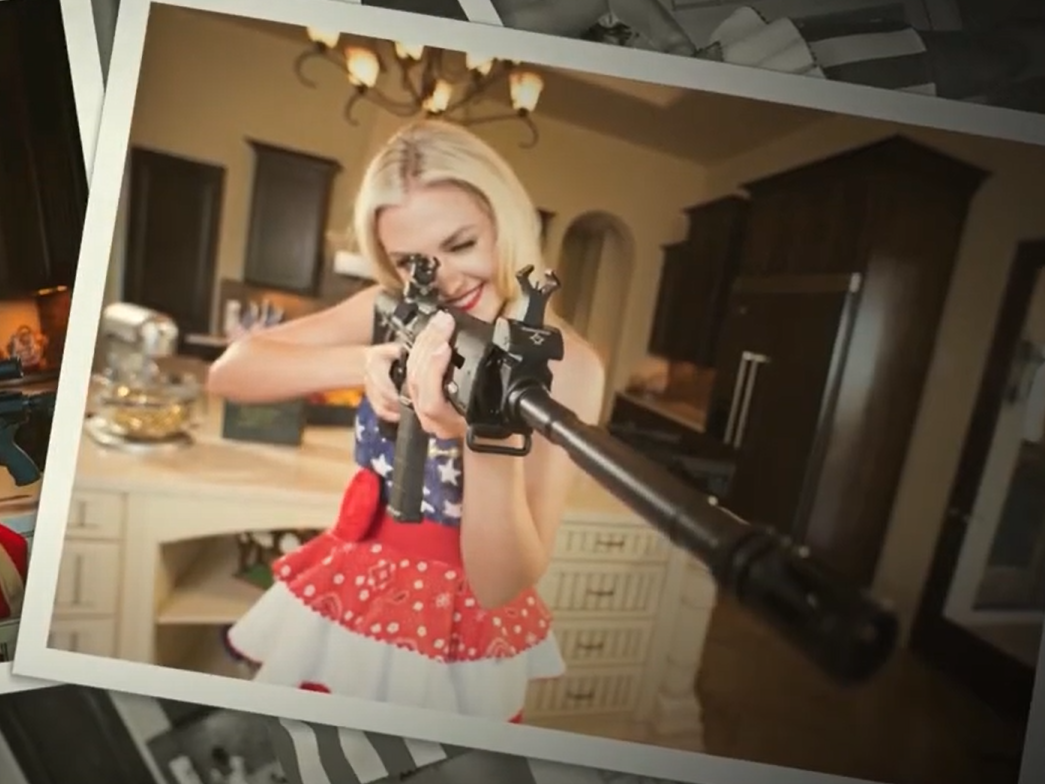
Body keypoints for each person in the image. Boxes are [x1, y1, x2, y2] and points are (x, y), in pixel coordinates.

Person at [207, 119, 605, 725]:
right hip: (352, 582)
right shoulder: (386, 309)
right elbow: (231, 371)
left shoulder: (569, 364)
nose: (444, 279)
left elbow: (501, 584)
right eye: (412, 262)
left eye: (462, 244)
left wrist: (476, 439)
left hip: (457, 630)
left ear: (507, 220)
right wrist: (366, 363)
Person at [490, 0, 1045, 107]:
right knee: (990, 78)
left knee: (987, 61)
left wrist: (679, 52)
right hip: (775, 101)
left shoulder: (492, 13)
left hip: (784, 65)